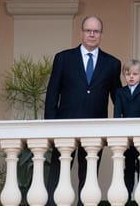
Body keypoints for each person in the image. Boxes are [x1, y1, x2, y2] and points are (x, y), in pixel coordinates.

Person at [44, 16, 122, 206]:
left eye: (96, 31)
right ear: (81, 32)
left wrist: (122, 124)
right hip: (64, 126)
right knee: (58, 173)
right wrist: (50, 126)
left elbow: (118, 97)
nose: (92, 34)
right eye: (88, 30)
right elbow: (52, 94)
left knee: (88, 176)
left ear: (101, 35)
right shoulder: (63, 58)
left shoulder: (112, 63)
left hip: (95, 127)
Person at [114, 59, 140, 201]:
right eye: (128, 73)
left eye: (135, 74)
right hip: (126, 136)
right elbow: (117, 113)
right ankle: (127, 197)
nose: (131, 77)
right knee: (128, 167)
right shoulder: (120, 92)